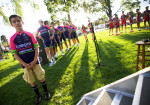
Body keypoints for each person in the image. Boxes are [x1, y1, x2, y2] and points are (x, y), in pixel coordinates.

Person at [9, 15, 50, 105]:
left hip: (35, 61)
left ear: (22, 22)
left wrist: (35, 60)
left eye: (18, 20)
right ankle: (38, 95)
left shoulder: (30, 34)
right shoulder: (12, 39)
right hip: (25, 64)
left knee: (41, 77)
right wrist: (24, 64)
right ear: (12, 24)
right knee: (31, 80)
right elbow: (15, 54)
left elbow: (36, 48)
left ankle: (46, 92)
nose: (17, 23)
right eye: (14, 22)